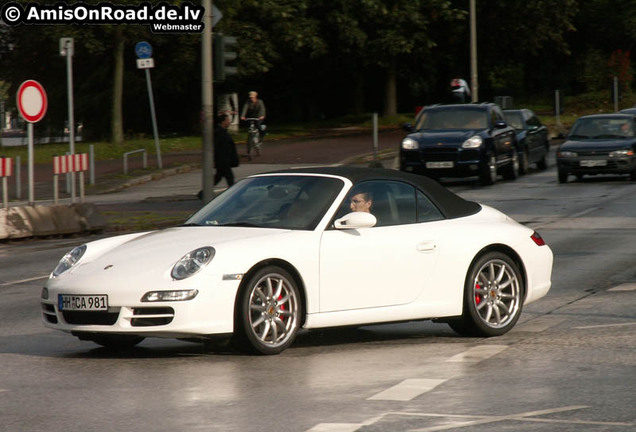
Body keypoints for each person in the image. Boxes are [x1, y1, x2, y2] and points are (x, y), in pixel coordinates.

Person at [213, 113, 239, 187]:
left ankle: (203, 193)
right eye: (227, 120)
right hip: (223, 160)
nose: (229, 122)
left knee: (218, 177)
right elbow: (217, 147)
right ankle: (233, 194)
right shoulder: (219, 133)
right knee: (229, 178)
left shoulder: (223, 132)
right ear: (223, 122)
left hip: (224, 160)